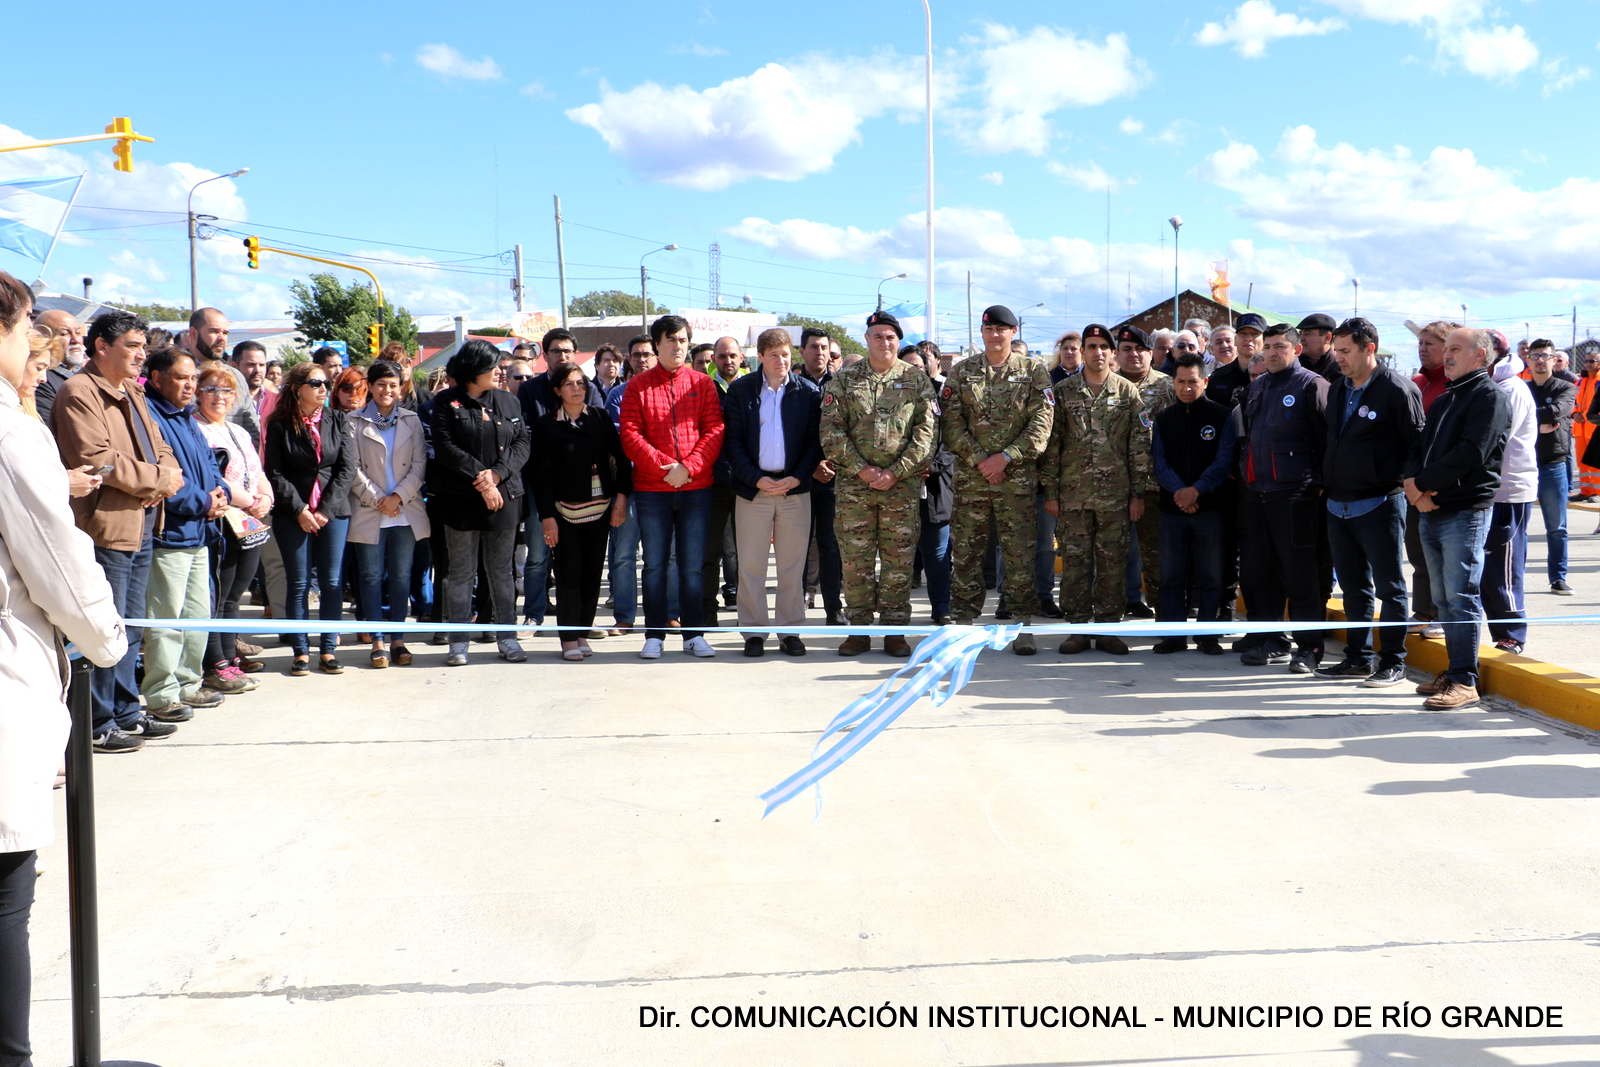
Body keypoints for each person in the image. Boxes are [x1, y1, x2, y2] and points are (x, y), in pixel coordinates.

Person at [0, 270, 128, 1066]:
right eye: (24, 334)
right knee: (5, 893)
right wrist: (108, 639)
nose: (33, 352)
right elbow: (57, 558)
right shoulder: (11, 432)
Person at [50, 310, 185, 752]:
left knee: (130, 628)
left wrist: (165, 476)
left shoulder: (133, 389)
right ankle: (98, 721)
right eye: (132, 345)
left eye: (143, 346)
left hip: (143, 523)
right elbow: (97, 459)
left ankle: (127, 711)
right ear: (101, 346)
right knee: (104, 629)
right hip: (105, 528)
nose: (141, 354)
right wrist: (160, 481)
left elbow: (160, 446)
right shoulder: (78, 392)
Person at [1406, 328, 1512, 709]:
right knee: (1444, 599)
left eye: (1455, 349)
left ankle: (1465, 679)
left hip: (1463, 510)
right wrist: (1414, 487)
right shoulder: (1448, 397)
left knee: (1461, 595)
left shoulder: (1490, 397)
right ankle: (1455, 671)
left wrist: (1421, 485)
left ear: (1480, 356)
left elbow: (1472, 453)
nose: (1446, 355)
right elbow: (1419, 446)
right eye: (1445, 348)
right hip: (1431, 507)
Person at [820, 311, 937, 657]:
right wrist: (863, 470)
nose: (884, 342)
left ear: (898, 342)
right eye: (877, 336)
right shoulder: (845, 379)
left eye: (890, 337)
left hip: (900, 489)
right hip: (855, 489)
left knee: (898, 563)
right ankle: (858, 630)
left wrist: (896, 472)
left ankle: (895, 631)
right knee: (855, 562)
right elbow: (831, 431)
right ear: (867, 339)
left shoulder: (916, 381)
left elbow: (927, 434)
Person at [1315, 318, 1424, 686]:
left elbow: (1416, 444)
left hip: (1379, 503)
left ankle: (1392, 660)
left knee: (1390, 587)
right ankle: (1358, 657)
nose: (1338, 358)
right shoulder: (1339, 389)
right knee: (1353, 588)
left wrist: (1410, 485)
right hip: (1338, 504)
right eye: (1336, 351)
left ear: (1369, 349)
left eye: (1345, 351)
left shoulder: (1397, 389)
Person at [940, 305, 1054, 654]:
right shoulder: (963, 372)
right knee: (967, 553)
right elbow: (951, 424)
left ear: (1013, 332)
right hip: (973, 480)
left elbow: (1042, 423)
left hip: (1016, 481)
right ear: (982, 332)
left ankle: (1021, 625)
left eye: (1002, 329)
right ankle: (962, 623)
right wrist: (981, 460)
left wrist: (1005, 457)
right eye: (989, 330)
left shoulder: (1033, 371)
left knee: (1020, 555)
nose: (995, 335)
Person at [618, 315, 725, 659]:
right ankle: (655, 634)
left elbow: (714, 431)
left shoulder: (703, 384)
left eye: (682, 340)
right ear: (657, 345)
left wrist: (688, 469)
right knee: (654, 565)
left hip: (696, 488)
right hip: (652, 490)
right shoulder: (638, 386)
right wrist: (667, 470)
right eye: (670, 340)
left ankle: (693, 634)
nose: (677, 346)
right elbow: (630, 435)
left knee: (692, 565)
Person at [137, 348, 234, 719]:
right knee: (167, 619)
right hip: (171, 535)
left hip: (201, 534)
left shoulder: (188, 418)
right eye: (181, 378)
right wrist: (204, 502)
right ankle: (162, 695)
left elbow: (210, 462)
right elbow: (167, 480)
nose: (190, 385)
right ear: (158, 378)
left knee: (198, 615)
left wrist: (220, 493)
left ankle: (189, 684)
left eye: (193, 378)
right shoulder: (150, 416)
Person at [1041, 324, 1144, 654]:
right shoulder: (1065, 391)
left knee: (1113, 562)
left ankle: (1109, 627)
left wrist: (1137, 494)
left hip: (1116, 495)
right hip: (1073, 495)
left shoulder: (1128, 393)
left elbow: (1138, 446)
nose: (1097, 352)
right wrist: (1052, 492)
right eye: (1091, 346)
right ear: (1081, 352)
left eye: (1104, 346)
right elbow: (1052, 444)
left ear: (1112, 353)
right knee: (1074, 562)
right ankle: (1078, 627)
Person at [429, 340, 532, 666]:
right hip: (460, 502)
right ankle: (458, 643)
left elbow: (521, 442)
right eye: (494, 367)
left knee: (501, 573)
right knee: (460, 575)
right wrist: (482, 480)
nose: (501, 372)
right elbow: (444, 447)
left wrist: (497, 477)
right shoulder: (446, 402)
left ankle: (507, 638)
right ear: (474, 371)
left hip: (505, 499)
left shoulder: (507, 401)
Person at [722, 328, 822, 656]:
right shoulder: (740, 391)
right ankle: (753, 632)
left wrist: (797, 477)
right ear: (760, 357)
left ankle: (790, 630)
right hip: (754, 490)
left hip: (795, 489)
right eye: (775, 355)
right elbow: (733, 442)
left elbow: (814, 442)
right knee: (751, 563)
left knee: (792, 564)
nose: (782, 360)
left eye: (786, 355)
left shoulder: (807, 393)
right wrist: (756, 479)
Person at [1238, 323, 1330, 673]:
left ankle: (1309, 648)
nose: (1272, 352)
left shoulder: (1311, 385)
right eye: (1268, 346)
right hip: (1259, 495)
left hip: (1297, 496)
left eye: (1280, 346)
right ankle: (1271, 640)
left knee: (1301, 576)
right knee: (1263, 574)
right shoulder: (1258, 386)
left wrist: (1318, 486)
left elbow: (1326, 440)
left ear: (1296, 350)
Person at [263, 361, 357, 676]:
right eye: (316, 383)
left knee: (332, 582)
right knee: (299, 582)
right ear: (297, 388)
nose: (322, 389)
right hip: (293, 514)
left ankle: (328, 649)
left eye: (325, 384)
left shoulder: (338, 420)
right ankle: (301, 651)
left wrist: (324, 511)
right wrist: (300, 509)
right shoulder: (279, 424)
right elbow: (274, 472)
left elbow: (346, 469)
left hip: (332, 513)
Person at [533, 363, 631, 660]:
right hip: (564, 514)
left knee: (591, 574)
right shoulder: (547, 424)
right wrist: (547, 516)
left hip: (601, 510)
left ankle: (582, 632)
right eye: (569, 384)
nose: (577, 388)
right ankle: (568, 639)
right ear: (557, 391)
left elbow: (622, 460)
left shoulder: (599, 418)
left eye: (581, 382)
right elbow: (540, 474)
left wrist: (621, 500)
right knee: (568, 575)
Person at [517, 328, 604, 631]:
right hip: (539, 478)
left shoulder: (589, 387)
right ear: (545, 355)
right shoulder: (530, 389)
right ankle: (534, 613)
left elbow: (598, 431)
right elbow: (524, 434)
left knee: (581, 561)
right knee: (539, 553)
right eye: (556, 351)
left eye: (568, 351)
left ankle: (581, 621)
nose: (563, 356)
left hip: (581, 487)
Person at [192, 361, 272, 686]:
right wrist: (251, 501)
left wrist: (265, 498)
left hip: (249, 523)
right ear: (197, 393)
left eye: (225, 390)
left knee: (235, 594)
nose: (219, 396)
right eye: (210, 389)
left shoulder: (238, 431)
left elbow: (259, 472)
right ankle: (216, 663)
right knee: (219, 595)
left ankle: (231, 656)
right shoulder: (197, 429)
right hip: (221, 523)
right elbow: (215, 479)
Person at [1150, 351, 1235, 656]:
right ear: (1173, 382)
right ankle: (1173, 636)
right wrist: (1182, 494)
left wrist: (1196, 491)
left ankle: (1206, 636)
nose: (1187, 388)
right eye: (1181, 382)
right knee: (1171, 577)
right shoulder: (1163, 418)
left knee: (1211, 576)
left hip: (1209, 510)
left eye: (1193, 382)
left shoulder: (1222, 416)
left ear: (1206, 381)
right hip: (1172, 510)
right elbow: (1160, 465)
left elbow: (1224, 461)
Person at [348, 360, 430, 668]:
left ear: (401, 387)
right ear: (369, 386)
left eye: (393, 384)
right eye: (381, 384)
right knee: (369, 576)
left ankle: (398, 638)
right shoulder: (354, 421)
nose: (387, 390)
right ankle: (378, 641)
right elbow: (351, 467)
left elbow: (420, 464)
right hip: (370, 509)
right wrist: (379, 499)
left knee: (401, 575)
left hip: (405, 510)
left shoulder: (411, 420)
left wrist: (397, 496)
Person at [1481, 338, 1538, 656]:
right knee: (1485, 570)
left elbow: (1493, 438)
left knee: (1503, 567)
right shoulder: (1491, 385)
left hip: (1508, 491)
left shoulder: (1511, 389)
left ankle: (1512, 634)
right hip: (1489, 491)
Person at [1115, 325, 1176, 619]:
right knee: (1112, 555)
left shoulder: (1169, 386)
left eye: (1140, 349)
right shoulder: (1107, 386)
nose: (1134, 355)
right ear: (1117, 354)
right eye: (1127, 349)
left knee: (1156, 557)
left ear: (1152, 354)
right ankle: (1109, 617)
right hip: (1111, 487)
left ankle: (1164, 617)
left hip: (1156, 487)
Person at [1406, 320, 1458, 636]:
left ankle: (1443, 612)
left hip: (1442, 486)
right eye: (1421, 343)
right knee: (1418, 552)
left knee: (1444, 557)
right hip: (1413, 484)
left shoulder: (1454, 385)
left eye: (1430, 344)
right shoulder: (1415, 382)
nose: (1423, 348)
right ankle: (1422, 610)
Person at [797, 327, 843, 624]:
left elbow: (848, 430)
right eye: (813, 347)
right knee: (797, 544)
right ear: (802, 352)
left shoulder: (842, 384)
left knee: (830, 543)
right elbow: (789, 433)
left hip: (833, 476)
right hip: (800, 476)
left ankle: (833, 608)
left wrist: (831, 463)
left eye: (824, 347)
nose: (820, 352)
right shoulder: (791, 385)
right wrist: (811, 464)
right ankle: (795, 606)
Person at [1526, 345, 1576, 597]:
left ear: (1554, 360)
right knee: (1518, 527)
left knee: (1557, 527)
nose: (1540, 361)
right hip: (1523, 465)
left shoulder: (1565, 387)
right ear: (1528, 359)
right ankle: (1514, 577)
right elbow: (1507, 415)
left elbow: (1558, 410)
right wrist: (1536, 426)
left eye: (1545, 356)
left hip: (1553, 464)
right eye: (1535, 356)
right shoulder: (1521, 388)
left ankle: (1558, 577)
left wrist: (1526, 420)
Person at [28, 307, 86, 428]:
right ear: (44, 338)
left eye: (78, 332)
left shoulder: (82, 375)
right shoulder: (41, 380)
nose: (75, 340)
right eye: (64, 333)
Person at [1295, 313, 1341, 382]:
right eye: (1300, 333)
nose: (1301, 338)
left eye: (1307, 334)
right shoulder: (1294, 364)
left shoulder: (1340, 367)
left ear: (1327, 338)